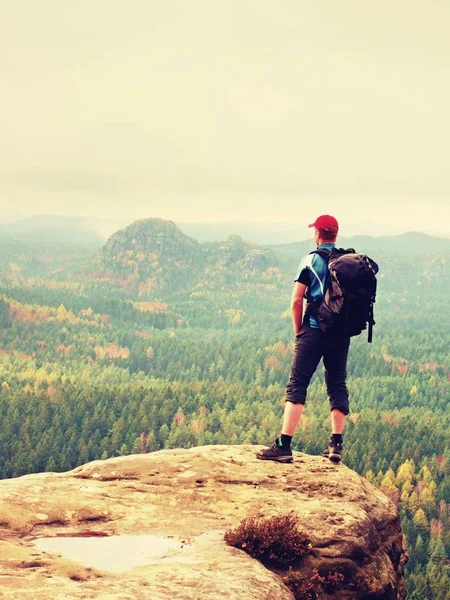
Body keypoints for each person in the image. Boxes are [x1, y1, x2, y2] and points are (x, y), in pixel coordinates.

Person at [256, 214, 350, 464]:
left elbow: (297, 299)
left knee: (297, 385)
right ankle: (336, 445)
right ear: (335, 235)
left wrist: (298, 330)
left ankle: (284, 445)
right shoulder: (347, 262)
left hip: (313, 330)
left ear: (318, 234)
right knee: (337, 384)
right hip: (340, 334)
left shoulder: (311, 260)